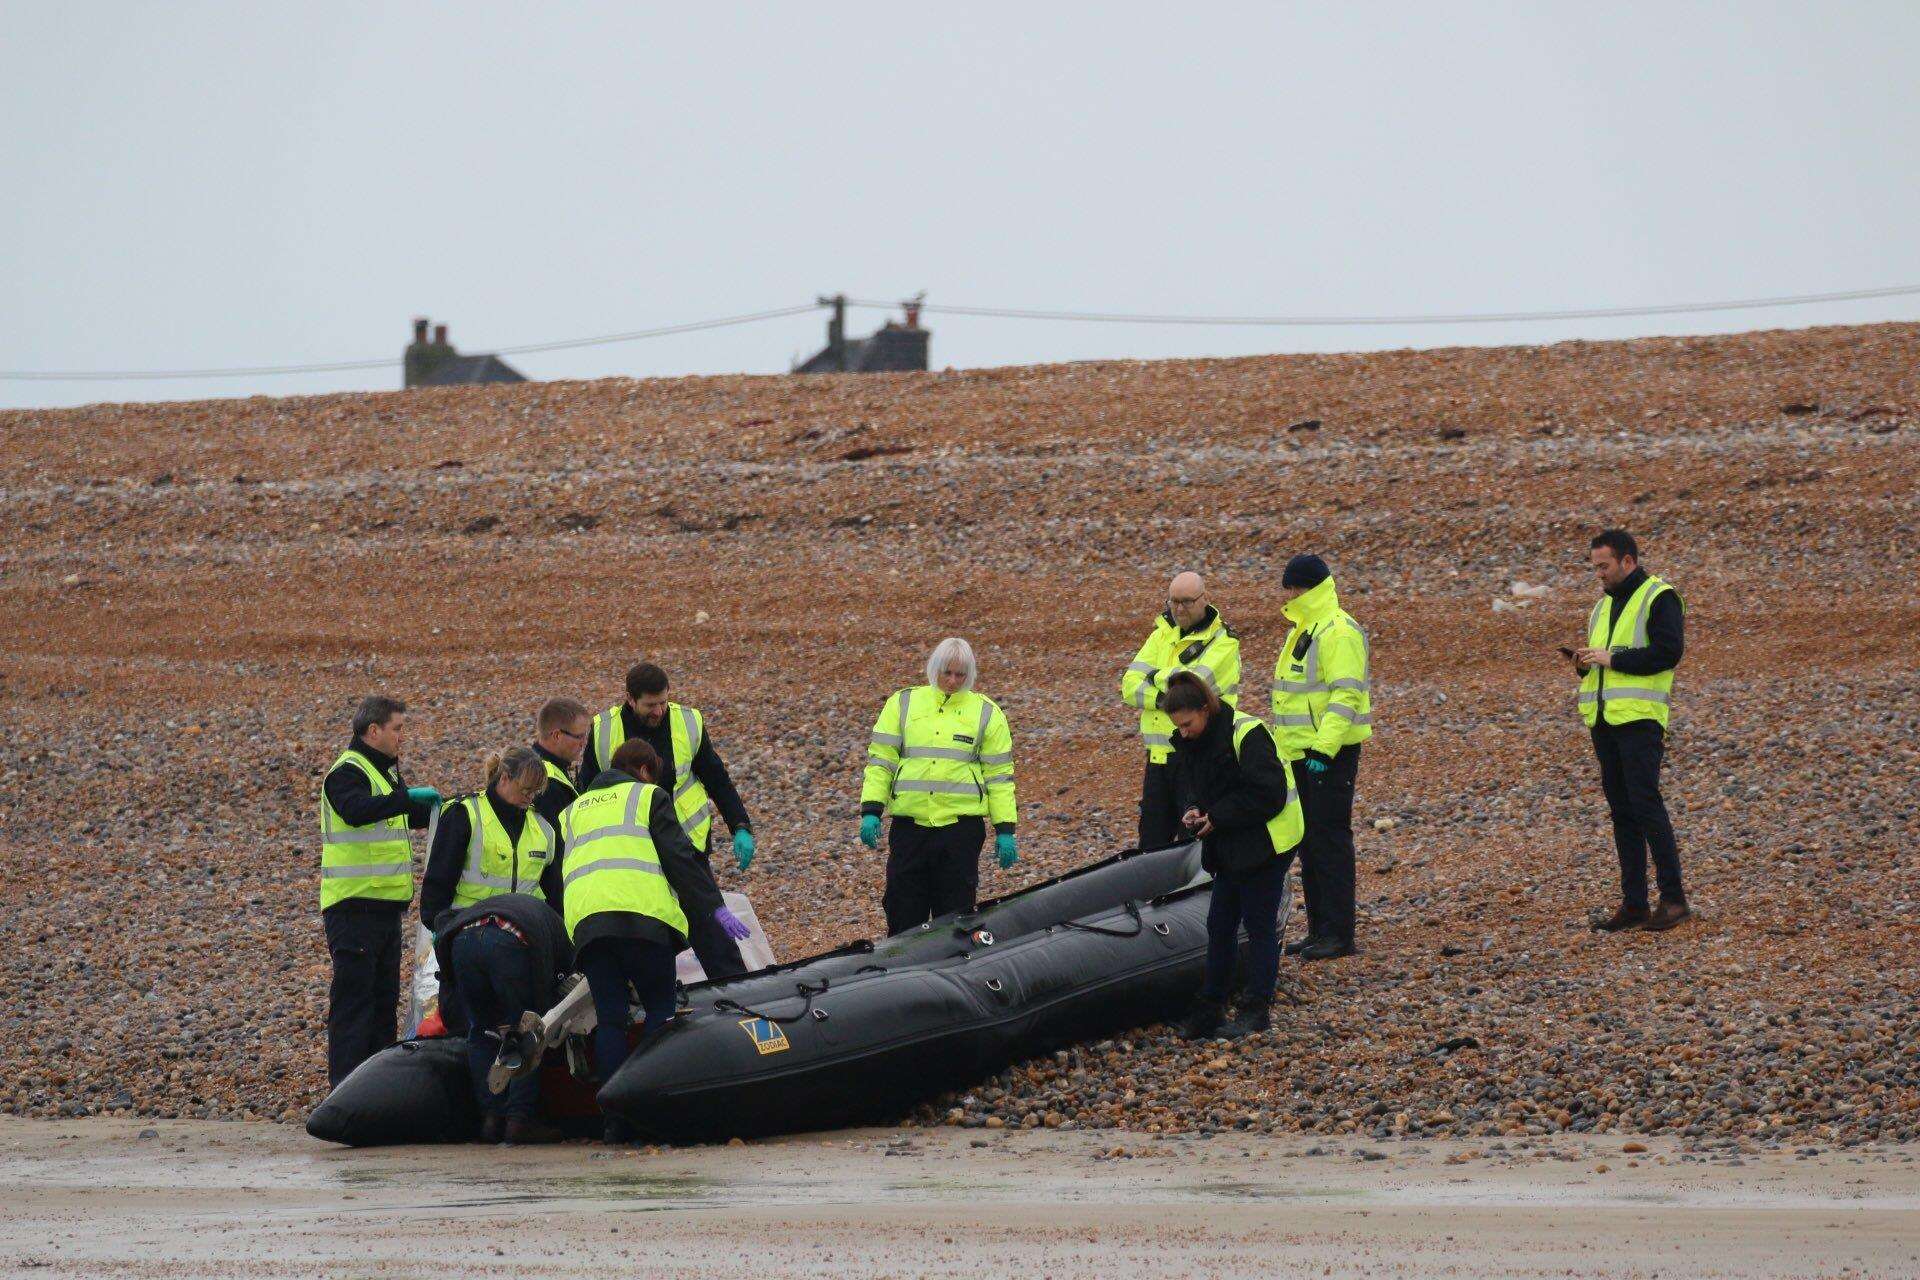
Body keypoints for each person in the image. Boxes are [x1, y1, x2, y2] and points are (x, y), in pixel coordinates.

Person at [560, 739, 750, 1142]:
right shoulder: (648, 797)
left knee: (611, 1018)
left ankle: (613, 1119)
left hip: (589, 927)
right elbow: (680, 858)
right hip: (644, 922)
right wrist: (713, 908)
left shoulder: (572, 811)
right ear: (644, 770)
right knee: (660, 1014)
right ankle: (653, 1107)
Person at [582, 663, 754, 978]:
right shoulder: (604, 730)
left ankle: (734, 983)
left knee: (709, 924)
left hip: (685, 843)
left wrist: (740, 826)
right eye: (650, 705)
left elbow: (717, 779)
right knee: (646, 928)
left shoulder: (688, 723)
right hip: (632, 850)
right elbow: (587, 794)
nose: (659, 711)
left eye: (663, 702)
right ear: (630, 700)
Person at [1163, 673, 1303, 1040]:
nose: (1184, 732)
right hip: (1230, 845)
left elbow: (1269, 795)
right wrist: (1193, 809)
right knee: (1219, 926)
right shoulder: (1191, 741)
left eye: (1188, 723)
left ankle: (1256, 1009)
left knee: (1259, 927)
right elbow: (1194, 786)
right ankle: (1210, 1009)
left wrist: (1219, 816)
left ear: (1205, 710)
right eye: (1178, 726)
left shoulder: (1247, 733)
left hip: (1269, 843)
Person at [1572, 529, 1689, 932]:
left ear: (1628, 561)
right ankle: (1635, 903)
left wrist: (1612, 658)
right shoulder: (1601, 607)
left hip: (1640, 719)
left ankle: (1673, 901)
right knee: (1622, 813)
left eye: (1604, 566)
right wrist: (1585, 663)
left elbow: (1667, 652)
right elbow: (1604, 662)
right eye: (1595, 567)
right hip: (1604, 721)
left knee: (1646, 805)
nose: (1599, 574)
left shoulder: (1660, 597)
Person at [860, 637, 1018, 935]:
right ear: (934, 669)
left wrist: (1006, 829)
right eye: (947, 673)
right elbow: (881, 760)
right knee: (903, 910)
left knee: (956, 916)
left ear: (970, 674)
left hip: (959, 830)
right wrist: (871, 809)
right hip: (910, 827)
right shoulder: (903, 703)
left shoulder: (986, 712)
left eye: (960, 675)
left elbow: (999, 775)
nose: (953, 681)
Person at [318, 695, 439, 1086]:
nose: (402, 736)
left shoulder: (384, 773)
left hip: (385, 909)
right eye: (398, 728)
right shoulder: (347, 772)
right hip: (353, 907)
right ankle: (345, 1089)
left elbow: (401, 813)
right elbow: (356, 810)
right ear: (374, 731)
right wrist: (406, 798)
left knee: (383, 1002)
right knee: (355, 1003)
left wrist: (445, 809)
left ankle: (374, 1087)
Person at [1268, 554, 1372, 961]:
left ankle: (1339, 934)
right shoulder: (1303, 628)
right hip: (1299, 753)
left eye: (1293, 587)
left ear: (1309, 586)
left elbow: (1346, 695)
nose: (1288, 594)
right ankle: (1318, 930)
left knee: (1330, 840)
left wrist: (1323, 750)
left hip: (1328, 753)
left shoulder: (1339, 631)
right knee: (1309, 843)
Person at [432, 890, 573, 1145]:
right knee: (527, 1029)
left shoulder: (526, 911)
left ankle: (490, 1119)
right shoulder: (561, 935)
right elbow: (555, 988)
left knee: (482, 1030)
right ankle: (519, 1121)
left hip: (462, 941)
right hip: (509, 939)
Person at [1120, 571, 1241, 852]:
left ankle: (1199, 896)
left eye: (1186, 601)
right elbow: (1128, 687)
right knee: (1151, 844)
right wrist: (1171, 690)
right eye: (1173, 601)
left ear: (1204, 599)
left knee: (1196, 843)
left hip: (1199, 756)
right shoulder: (1161, 634)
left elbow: (1193, 689)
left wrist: (1152, 678)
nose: (1178, 608)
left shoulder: (1223, 641)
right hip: (1159, 757)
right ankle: (1154, 897)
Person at [420, 747, 559, 928]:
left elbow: (555, 894)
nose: (530, 797)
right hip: (467, 931)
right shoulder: (464, 815)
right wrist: (441, 931)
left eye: (535, 792)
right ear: (504, 778)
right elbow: (438, 884)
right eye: (525, 790)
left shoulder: (543, 828)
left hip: (524, 934)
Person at [529, 697, 591, 909]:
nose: (584, 743)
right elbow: (556, 850)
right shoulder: (546, 782)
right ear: (556, 735)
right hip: (549, 896)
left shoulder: (536, 766)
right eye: (579, 737)